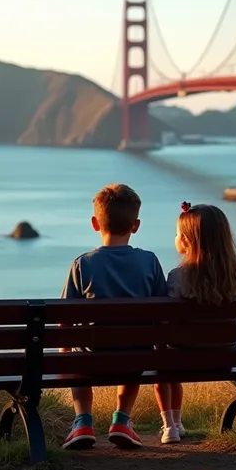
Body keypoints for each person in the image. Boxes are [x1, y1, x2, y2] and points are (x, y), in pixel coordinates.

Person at [61, 183, 167, 451]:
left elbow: (64, 317)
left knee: (77, 354)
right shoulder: (150, 262)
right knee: (134, 345)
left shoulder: (82, 264)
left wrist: (63, 352)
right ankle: (121, 420)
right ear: (136, 225)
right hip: (136, 358)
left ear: (95, 223)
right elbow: (164, 311)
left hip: (90, 358)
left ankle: (83, 422)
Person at [154, 201, 236, 444]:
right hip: (226, 357)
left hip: (182, 358)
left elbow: (165, 319)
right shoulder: (235, 277)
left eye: (177, 234)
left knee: (163, 355)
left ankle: (171, 427)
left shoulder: (178, 277)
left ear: (186, 241)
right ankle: (175, 424)